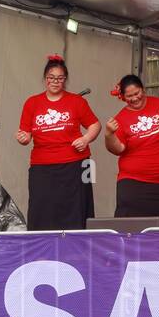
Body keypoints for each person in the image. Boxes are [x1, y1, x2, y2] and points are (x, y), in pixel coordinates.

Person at [16, 53, 100, 229]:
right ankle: (43, 246)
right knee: (41, 207)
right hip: (42, 164)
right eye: (51, 78)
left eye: (60, 78)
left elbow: (95, 125)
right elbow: (25, 134)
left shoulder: (77, 101)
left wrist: (85, 139)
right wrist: (23, 138)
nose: (55, 81)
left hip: (78, 163)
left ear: (65, 80)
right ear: (45, 79)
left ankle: (77, 246)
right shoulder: (32, 103)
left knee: (77, 207)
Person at [104, 73, 159, 222]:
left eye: (137, 93)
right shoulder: (121, 118)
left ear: (143, 90)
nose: (134, 98)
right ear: (123, 97)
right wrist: (109, 134)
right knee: (129, 225)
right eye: (129, 96)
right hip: (134, 182)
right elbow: (117, 149)